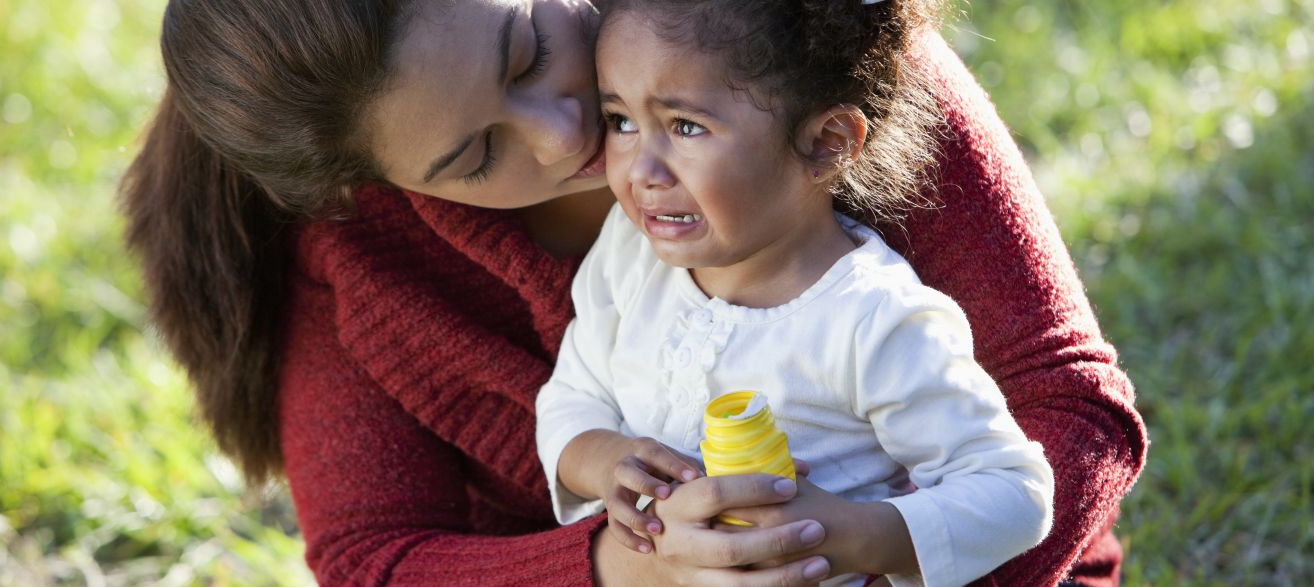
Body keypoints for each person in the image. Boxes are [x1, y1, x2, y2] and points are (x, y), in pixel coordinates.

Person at [120, 0, 1146, 585]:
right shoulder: (357, 254)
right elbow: (371, 556)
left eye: (528, 52)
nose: (564, 136)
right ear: (373, 183)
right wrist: (622, 567)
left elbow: (1066, 405)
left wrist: (881, 556)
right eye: (477, 153)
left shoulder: (787, 40)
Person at [535, 2, 1052, 585]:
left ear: (826, 142)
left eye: (686, 127)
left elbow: (1015, 494)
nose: (640, 170)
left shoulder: (872, 320)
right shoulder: (628, 254)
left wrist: (848, 537)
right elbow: (570, 398)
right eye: (620, 121)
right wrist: (605, 461)